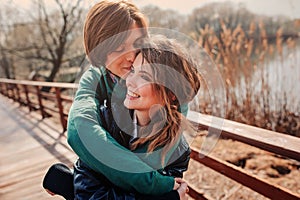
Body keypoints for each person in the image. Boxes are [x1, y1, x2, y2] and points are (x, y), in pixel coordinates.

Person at [43, 0, 191, 199]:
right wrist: (156, 186)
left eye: (137, 44)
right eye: (119, 48)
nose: (131, 56)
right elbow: (81, 130)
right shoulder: (96, 82)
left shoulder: (162, 77)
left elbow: (163, 141)